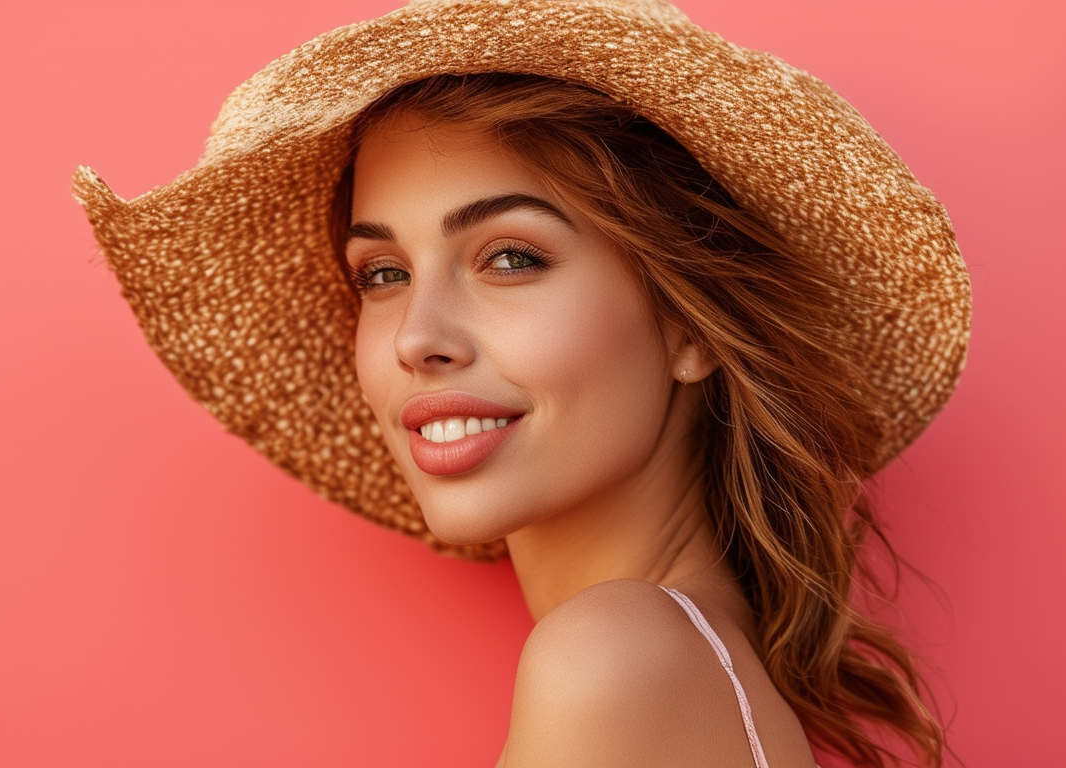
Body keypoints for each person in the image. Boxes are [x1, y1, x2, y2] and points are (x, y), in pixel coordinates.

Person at [73, 1, 970, 765]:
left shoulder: (615, 657)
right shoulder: (681, 661)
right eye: (381, 273)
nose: (417, 338)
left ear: (689, 326)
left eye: (510, 257)